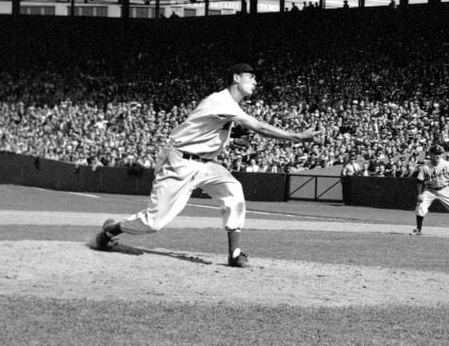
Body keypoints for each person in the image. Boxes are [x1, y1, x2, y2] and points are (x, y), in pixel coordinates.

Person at [89, 62, 322, 267]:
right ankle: (111, 230)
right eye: (251, 77)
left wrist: (229, 140)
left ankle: (235, 253)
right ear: (236, 78)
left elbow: (205, 133)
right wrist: (298, 137)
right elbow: (258, 127)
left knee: (233, 189)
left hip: (204, 164)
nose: (256, 81)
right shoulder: (221, 100)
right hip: (180, 163)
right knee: (154, 222)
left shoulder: (228, 106)